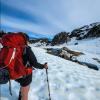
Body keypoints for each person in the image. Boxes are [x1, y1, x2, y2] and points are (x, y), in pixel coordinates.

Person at [15, 33, 48, 100]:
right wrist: (43, 66)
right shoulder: (27, 49)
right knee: (25, 92)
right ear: (25, 40)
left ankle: (19, 98)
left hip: (17, 72)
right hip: (25, 74)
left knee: (23, 86)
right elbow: (34, 63)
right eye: (28, 40)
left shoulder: (15, 47)